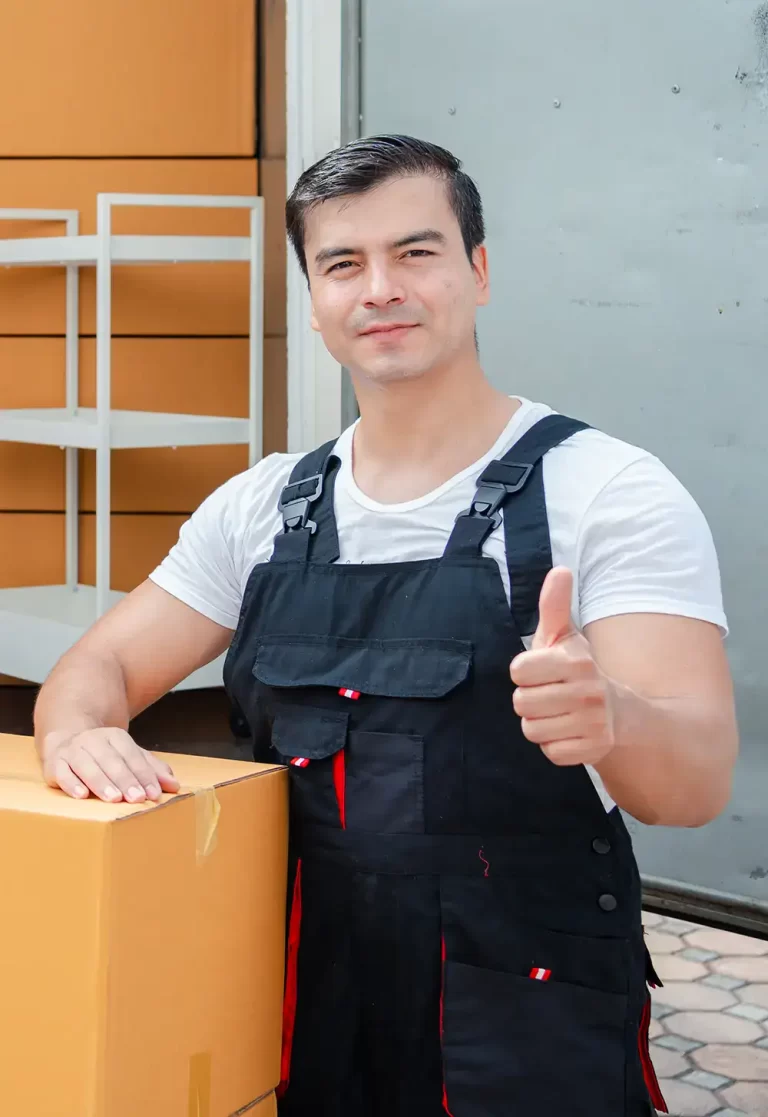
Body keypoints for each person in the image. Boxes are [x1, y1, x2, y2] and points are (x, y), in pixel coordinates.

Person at [34, 135, 738, 1116]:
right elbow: (99, 663)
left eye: (417, 252)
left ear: (479, 271)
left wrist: (615, 716)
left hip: (528, 1014)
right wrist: (82, 732)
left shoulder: (608, 492)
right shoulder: (262, 506)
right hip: (309, 1002)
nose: (381, 289)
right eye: (342, 264)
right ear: (314, 301)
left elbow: (697, 782)